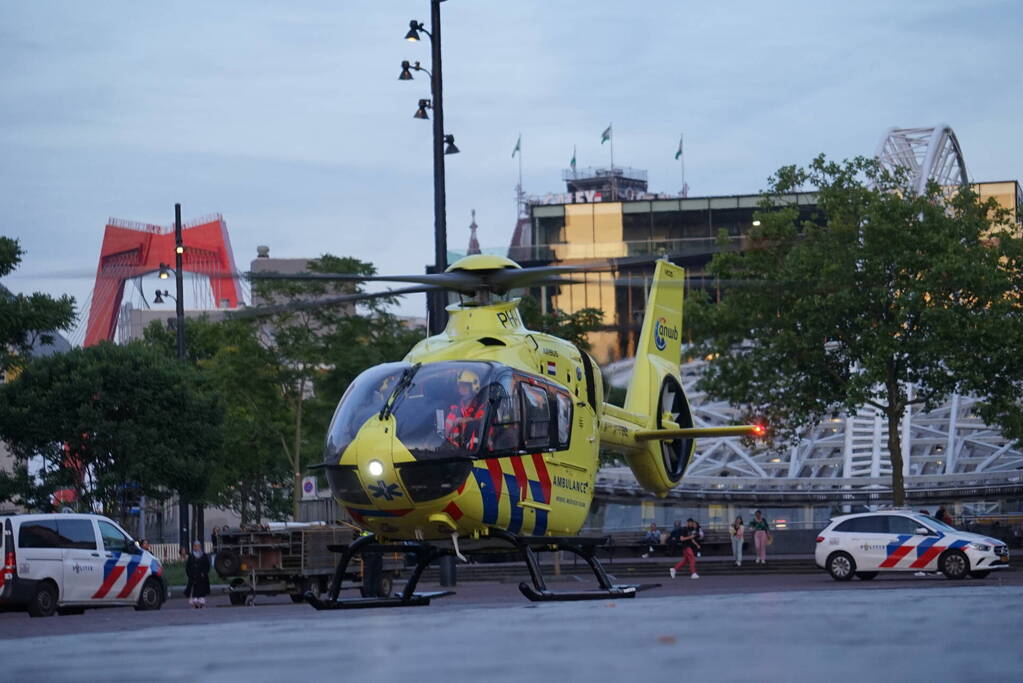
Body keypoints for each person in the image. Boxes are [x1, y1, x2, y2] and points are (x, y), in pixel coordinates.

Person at [445, 369, 485, 450]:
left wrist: (467, 420)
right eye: (460, 385)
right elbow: (446, 428)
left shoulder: (481, 407)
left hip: (476, 452)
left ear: (474, 387)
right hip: (454, 451)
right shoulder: (455, 409)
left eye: (465, 386)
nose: (461, 389)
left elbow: (482, 421)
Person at [185, 540, 211, 609]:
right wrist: (190, 574)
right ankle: (195, 603)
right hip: (193, 577)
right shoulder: (191, 556)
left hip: (202, 577)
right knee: (194, 591)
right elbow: (188, 567)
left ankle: (201, 603)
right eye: (195, 546)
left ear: (200, 547)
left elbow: (207, 566)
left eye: (197, 546)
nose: (196, 547)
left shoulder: (204, 555)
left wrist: (204, 573)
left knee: (201, 591)